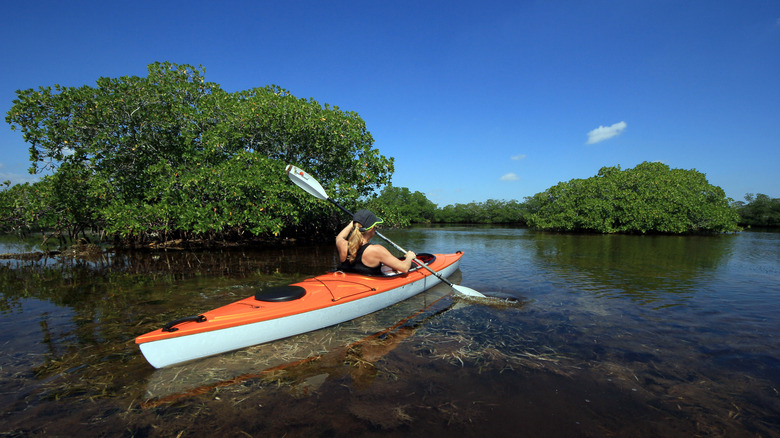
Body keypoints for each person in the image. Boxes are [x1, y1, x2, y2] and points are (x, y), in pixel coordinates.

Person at [336, 209, 416, 275]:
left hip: (348, 283)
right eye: (375, 227)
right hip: (368, 286)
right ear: (371, 229)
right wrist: (409, 257)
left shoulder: (342, 244)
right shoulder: (376, 250)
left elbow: (340, 237)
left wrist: (354, 223)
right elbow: (404, 268)